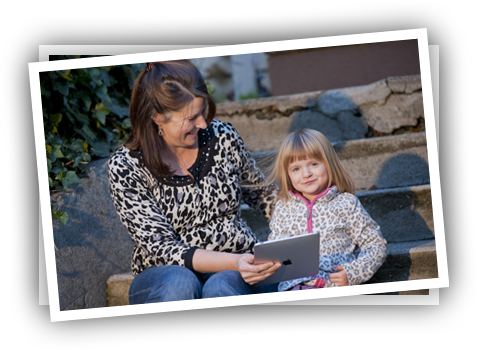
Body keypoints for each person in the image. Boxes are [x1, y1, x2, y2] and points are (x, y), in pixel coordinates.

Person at [107, 60, 280, 304]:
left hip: (237, 263)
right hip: (165, 273)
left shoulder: (222, 137)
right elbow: (162, 248)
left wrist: (310, 214)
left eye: (203, 112)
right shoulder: (126, 166)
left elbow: (262, 194)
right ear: (157, 117)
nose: (203, 124)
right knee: (181, 282)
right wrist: (235, 262)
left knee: (222, 285)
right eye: (191, 118)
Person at [266, 129, 387, 291]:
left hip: (331, 286)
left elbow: (376, 244)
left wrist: (353, 273)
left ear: (329, 164)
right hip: (293, 288)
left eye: (314, 164)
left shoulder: (346, 203)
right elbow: (273, 252)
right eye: (296, 169)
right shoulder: (283, 207)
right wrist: (286, 245)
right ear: (287, 175)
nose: (306, 174)